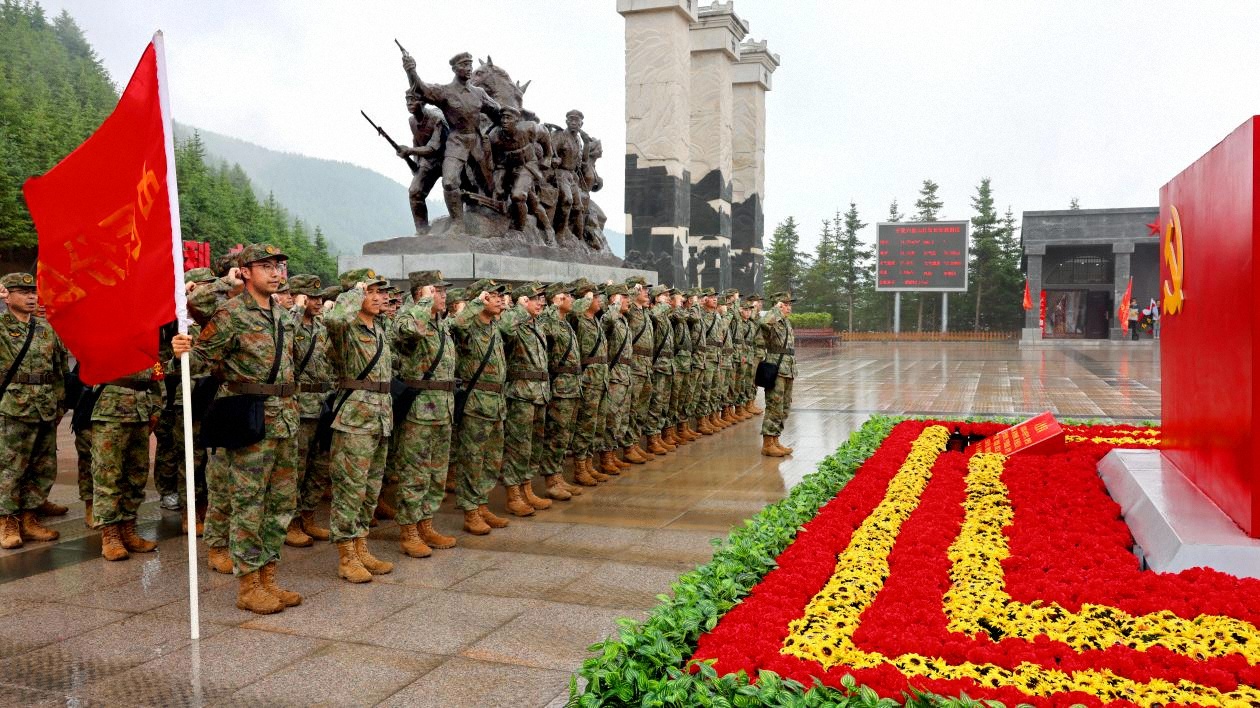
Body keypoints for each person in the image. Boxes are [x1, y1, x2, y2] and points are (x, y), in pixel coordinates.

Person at [171, 243, 301, 614]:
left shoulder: (280, 313)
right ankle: (248, 585)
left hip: (284, 417)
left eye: (278, 266)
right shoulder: (231, 313)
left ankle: (268, 578)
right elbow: (200, 358)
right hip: (249, 418)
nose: (275, 273)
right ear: (244, 272)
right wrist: (182, 349)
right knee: (249, 504)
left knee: (281, 503)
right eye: (265, 266)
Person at [323, 269, 395, 583]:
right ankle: (346, 555)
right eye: (372, 292)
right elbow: (334, 319)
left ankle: (361, 546)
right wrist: (354, 292)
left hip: (380, 417)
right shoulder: (346, 328)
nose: (380, 297)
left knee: (370, 489)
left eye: (382, 292)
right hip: (354, 419)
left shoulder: (378, 327)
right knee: (350, 490)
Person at [391, 270, 460, 555]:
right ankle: (409, 530)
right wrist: (423, 303)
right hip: (420, 409)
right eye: (437, 291)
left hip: (443, 407)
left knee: (436, 472)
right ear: (422, 293)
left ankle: (426, 524)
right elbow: (408, 332)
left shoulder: (440, 323)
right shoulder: (409, 317)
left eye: (443, 291)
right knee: (415, 472)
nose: (444, 296)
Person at [0, 272, 69, 549]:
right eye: (23, 292)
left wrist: (60, 404)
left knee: (43, 466)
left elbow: (59, 368)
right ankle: (7, 521)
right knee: (10, 468)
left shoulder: (45, 328)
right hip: (12, 407)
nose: (31, 297)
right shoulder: (1, 327)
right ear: (7, 296)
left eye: (33, 292)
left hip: (45, 406)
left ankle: (29, 518)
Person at [403, 51, 502, 219]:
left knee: (488, 183)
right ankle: (457, 223)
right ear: (455, 69)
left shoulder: (479, 93)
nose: (469, 68)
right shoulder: (445, 92)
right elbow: (422, 90)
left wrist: (499, 131)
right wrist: (411, 71)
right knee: (449, 182)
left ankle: (494, 214)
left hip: (477, 141)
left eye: (470, 65)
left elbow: (498, 113)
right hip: (457, 141)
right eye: (464, 65)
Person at [449, 280, 511, 534]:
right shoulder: (468, 327)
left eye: (500, 296)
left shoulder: (495, 325)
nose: (498, 299)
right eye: (492, 296)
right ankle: (470, 511)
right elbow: (456, 324)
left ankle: (482, 504)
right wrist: (475, 303)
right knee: (472, 459)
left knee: (491, 459)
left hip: (496, 402)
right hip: (476, 402)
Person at [496, 281, 554, 513]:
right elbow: (503, 328)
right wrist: (519, 308)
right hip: (521, 394)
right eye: (535, 299)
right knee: (518, 446)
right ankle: (513, 495)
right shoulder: (514, 322)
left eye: (541, 298)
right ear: (523, 301)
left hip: (539, 392)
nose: (540, 303)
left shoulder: (536, 324)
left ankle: (527, 488)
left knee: (534, 445)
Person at [286, 275, 332, 547]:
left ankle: (308, 516)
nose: (317, 302)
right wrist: (296, 309)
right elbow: (282, 337)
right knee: (297, 468)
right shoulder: (288, 323)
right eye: (311, 297)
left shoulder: (321, 327)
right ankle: (291, 522)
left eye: (319, 297)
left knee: (319, 466)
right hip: (300, 406)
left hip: (322, 405)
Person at [535, 282, 591, 490]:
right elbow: (542, 325)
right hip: (560, 387)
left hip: (572, 386)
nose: (572, 299)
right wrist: (553, 306)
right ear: (557, 299)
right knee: (556, 435)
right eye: (567, 296)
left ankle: (558, 477)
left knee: (565, 434)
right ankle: (551, 480)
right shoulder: (549, 321)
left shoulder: (565, 323)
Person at [569, 279, 610, 483]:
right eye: (595, 296)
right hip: (588, 379)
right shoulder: (577, 319)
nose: (599, 300)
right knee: (585, 424)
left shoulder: (595, 320)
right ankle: (579, 468)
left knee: (597, 424)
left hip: (601, 378)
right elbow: (573, 311)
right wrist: (585, 298)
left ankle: (589, 463)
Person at [597, 283, 634, 475]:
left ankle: (613, 453)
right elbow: (607, 320)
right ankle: (605, 457)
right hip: (614, 375)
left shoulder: (623, 319)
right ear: (614, 299)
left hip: (625, 374)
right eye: (624, 297)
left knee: (621, 416)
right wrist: (615, 303)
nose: (628, 300)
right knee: (611, 417)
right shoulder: (608, 317)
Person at [400, 88, 448, 233]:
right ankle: (422, 230)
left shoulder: (437, 119)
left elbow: (433, 147)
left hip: (447, 156)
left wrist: (409, 151)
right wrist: (414, 161)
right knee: (415, 191)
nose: (409, 103)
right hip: (428, 160)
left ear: (423, 102)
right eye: (407, 100)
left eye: (413, 100)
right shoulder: (412, 121)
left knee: (452, 185)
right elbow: (417, 140)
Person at [759, 292, 797, 457]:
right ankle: (767, 444)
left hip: (788, 368)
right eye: (785, 304)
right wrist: (775, 309)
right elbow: (763, 322)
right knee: (774, 406)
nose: (789, 307)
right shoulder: (772, 320)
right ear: (778, 305)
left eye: (790, 304)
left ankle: (775, 439)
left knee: (784, 407)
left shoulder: (786, 321)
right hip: (776, 367)